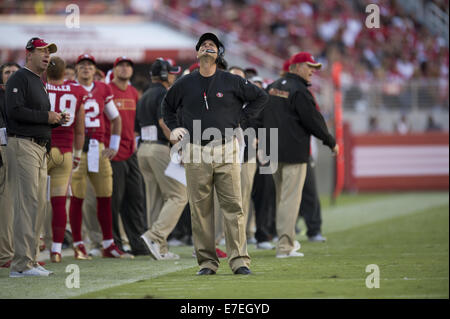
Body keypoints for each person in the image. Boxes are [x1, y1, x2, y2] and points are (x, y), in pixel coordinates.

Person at [162, 32, 268, 275]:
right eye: (204, 45)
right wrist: (175, 126)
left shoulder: (232, 80)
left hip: (225, 146)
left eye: (213, 45)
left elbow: (260, 97)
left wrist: (240, 120)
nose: (208, 47)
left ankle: (239, 260)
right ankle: (207, 263)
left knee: (233, 205)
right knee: (200, 209)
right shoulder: (185, 83)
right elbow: (167, 106)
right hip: (196, 148)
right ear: (197, 52)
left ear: (219, 53)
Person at [263, 51, 338, 258]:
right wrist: (330, 141)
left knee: (281, 199)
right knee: (289, 200)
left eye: (314, 67)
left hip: (272, 152)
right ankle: (285, 247)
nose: (313, 71)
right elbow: (313, 121)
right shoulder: (300, 91)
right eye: (309, 66)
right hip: (294, 153)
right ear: (296, 67)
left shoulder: (273, 87)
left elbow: (261, 115)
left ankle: (284, 241)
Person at [5, 37, 69, 277]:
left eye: (48, 52)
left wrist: (54, 120)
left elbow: (37, 115)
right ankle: (21, 265)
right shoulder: (19, 78)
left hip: (38, 147)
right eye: (42, 51)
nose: (47, 56)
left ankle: (31, 260)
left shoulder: (38, 81)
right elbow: (14, 111)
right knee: (27, 204)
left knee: (38, 205)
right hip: (23, 145)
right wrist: (47, 118)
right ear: (28, 53)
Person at [68, 53, 131, 259]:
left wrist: (113, 145)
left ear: (95, 70)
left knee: (105, 196)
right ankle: (78, 243)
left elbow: (116, 118)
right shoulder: (70, 88)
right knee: (77, 197)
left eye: (90, 65)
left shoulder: (103, 88)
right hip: (77, 148)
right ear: (76, 69)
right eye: (82, 65)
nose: (86, 68)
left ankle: (108, 244)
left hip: (98, 146)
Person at [136, 57, 188, 260]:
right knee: (179, 195)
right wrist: (179, 148)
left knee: (155, 199)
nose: (175, 76)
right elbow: (165, 123)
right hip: (159, 148)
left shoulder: (145, 94)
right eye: (172, 72)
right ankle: (155, 237)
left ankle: (160, 248)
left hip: (144, 149)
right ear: (166, 74)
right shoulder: (165, 93)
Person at [45, 56, 87, 262]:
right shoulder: (77, 91)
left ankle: (38, 242)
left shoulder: (40, 86)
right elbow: (80, 130)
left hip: (42, 148)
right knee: (60, 202)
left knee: (35, 199)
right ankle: (57, 249)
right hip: (66, 152)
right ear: (64, 72)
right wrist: (78, 155)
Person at [106, 56, 148, 256]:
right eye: (120, 65)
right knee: (115, 200)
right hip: (113, 152)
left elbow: (136, 121)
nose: (125, 68)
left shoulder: (133, 92)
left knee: (136, 197)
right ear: (114, 69)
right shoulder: (106, 90)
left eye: (128, 66)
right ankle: (115, 243)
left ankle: (138, 243)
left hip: (131, 151)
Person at [0, 62, 21, 269]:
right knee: (7, 202)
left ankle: (15, 250)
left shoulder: (20, 96)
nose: (11, 75)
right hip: (5, 149)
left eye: (15, 72)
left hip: (20, 149)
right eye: (7, 72)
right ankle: (6, 254)